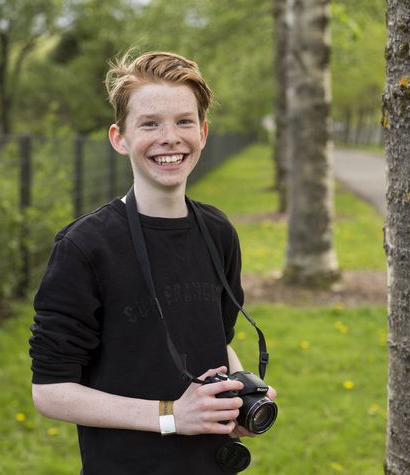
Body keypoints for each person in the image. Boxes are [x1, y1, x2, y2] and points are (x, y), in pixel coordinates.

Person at [28, 50, 275, 474]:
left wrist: (241, 391)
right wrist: (171, 416)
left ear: (203, 132)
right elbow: (50, 391)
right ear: (119, 137)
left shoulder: (218, 232)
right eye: (149, 124)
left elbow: (219, 340)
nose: (170, 138)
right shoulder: (84, 247)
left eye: (184, 122)